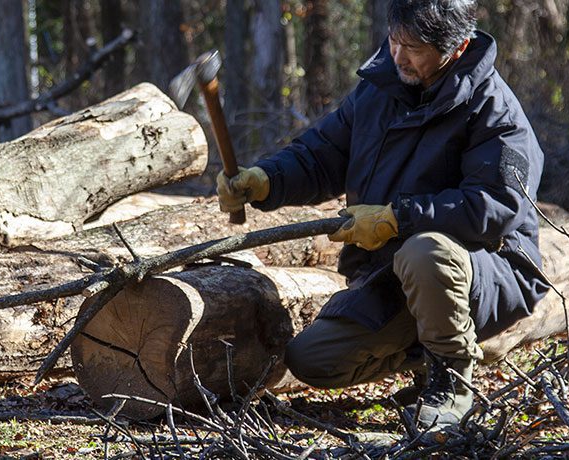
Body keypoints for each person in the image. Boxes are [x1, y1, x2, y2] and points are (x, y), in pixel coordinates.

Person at [217, 0, 549, 432]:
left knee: (426, 251)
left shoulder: (495, 113)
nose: (397, 55)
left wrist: (397, 218)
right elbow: (323, 154)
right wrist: (265, 180)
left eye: (412, 47)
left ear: (457, 46)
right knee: (313, 360)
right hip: (395, 273)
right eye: (394, 40)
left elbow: (496, 207)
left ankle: (451, 384)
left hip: (491, 271)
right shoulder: (381, 88)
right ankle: (430, 353)